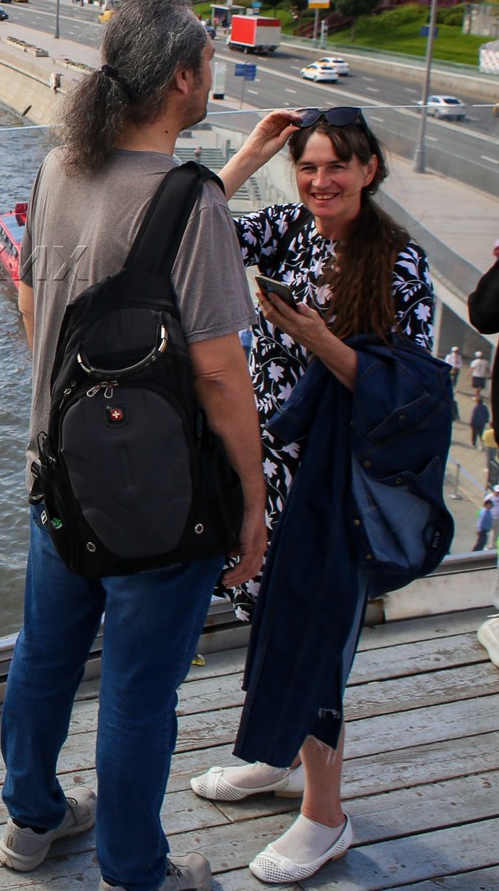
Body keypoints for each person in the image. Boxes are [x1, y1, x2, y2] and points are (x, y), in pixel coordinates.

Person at [0, 0, 267, 891]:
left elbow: (36, 298)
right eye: (207, 62)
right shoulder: (195, 204)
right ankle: (133, 868)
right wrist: (254, 502)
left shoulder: (57, 171)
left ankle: (30, 821)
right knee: (138, 693)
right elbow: (223, 375)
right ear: (184, 79)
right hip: (158, 499)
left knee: (44, 657)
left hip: (57, 474)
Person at [193, 106, 440, 883]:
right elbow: (191, 237)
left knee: (316, 640)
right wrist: (252, 152)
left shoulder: (399, 264)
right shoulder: (288, 229)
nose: (320, 181)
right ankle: (275, 755)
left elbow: (408, 394)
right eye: (307, 166)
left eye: (337, 166)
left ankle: (326, 816)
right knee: (269, 621)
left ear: (370, 169)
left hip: (331, 489)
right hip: (266, 472)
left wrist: (318, 339)